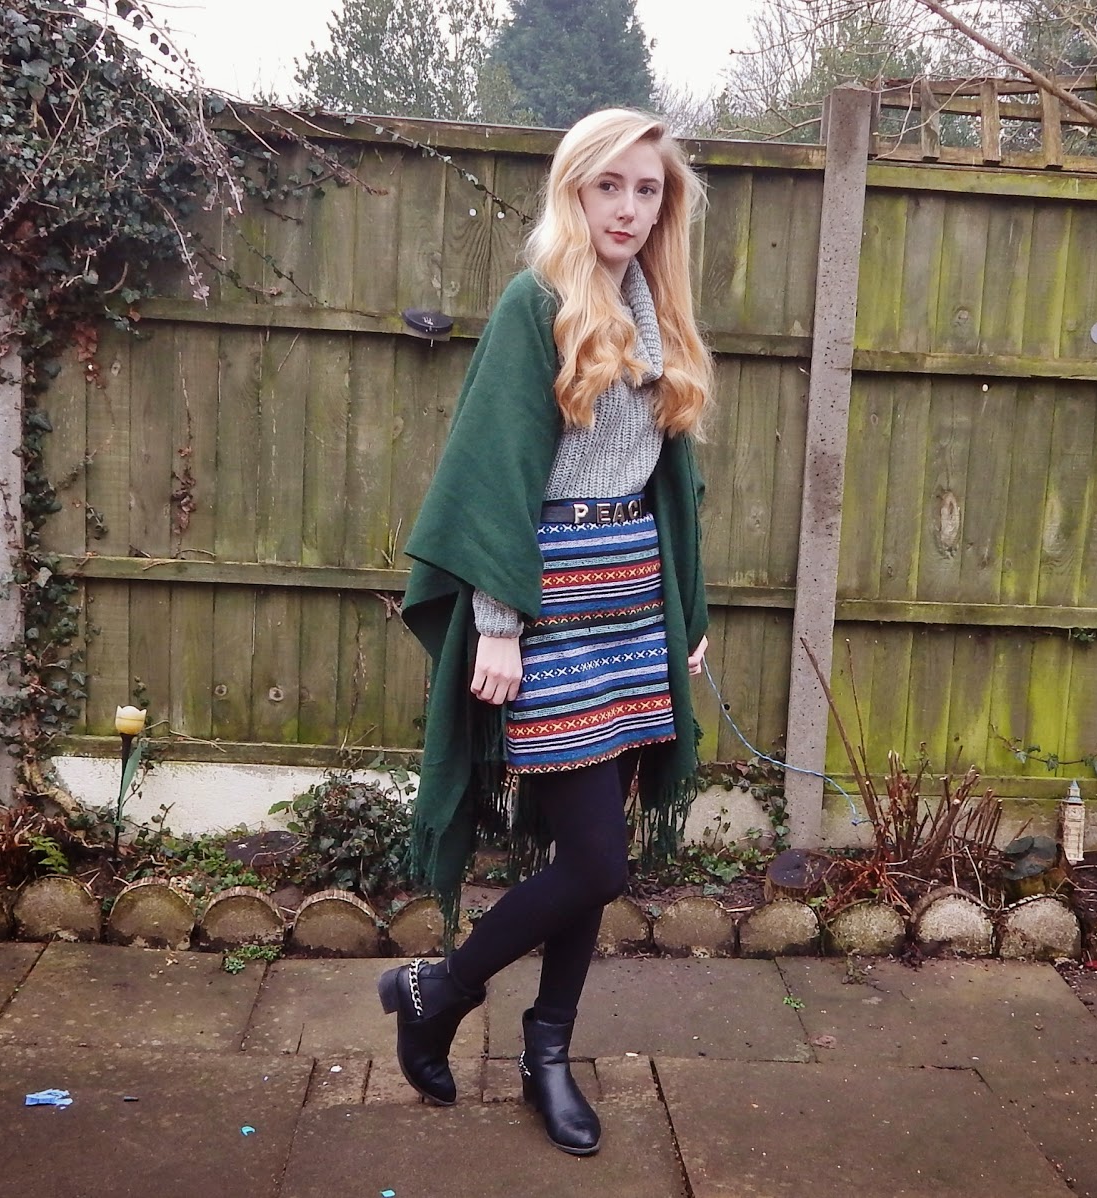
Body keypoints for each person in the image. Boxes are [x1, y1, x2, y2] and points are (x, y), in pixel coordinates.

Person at [378, 108, 713, 1157]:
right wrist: (496, 623)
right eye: (609, 185)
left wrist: (684, 616)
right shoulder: (537, 304)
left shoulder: (657, 308)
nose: (629, 207)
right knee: (599, 863)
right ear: (574, 191)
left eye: (647, 189)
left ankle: (546, 1051)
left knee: (588, 850)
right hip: (551, 602)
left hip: (632, 603)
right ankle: (439, 990)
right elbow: (495, 472)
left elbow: (672, 489)